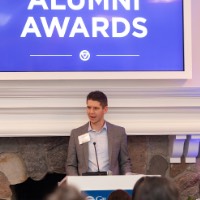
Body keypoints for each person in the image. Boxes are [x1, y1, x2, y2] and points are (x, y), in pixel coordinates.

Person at [66, 91, 132, 176]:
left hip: (111, 183)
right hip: (85, 184)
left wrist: (128, 176)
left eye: (95, 108)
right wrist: (77, 183)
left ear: (105, 109)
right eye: (89, 107)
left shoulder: (119, 132)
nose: (91, 112)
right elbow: (71, 165)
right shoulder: (76, 134)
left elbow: (125, 162)